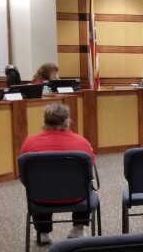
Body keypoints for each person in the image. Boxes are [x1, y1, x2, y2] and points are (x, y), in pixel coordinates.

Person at [20, 103, 95, 243]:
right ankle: (78, 229)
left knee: (41, 182)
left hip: (39, 197)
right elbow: (89, 170)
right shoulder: (81, 142)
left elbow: (25, 177)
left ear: (44, 121)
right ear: (67, 121)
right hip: (76, 196)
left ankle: (43, 233)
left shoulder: (29, 142)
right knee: (85, 183)